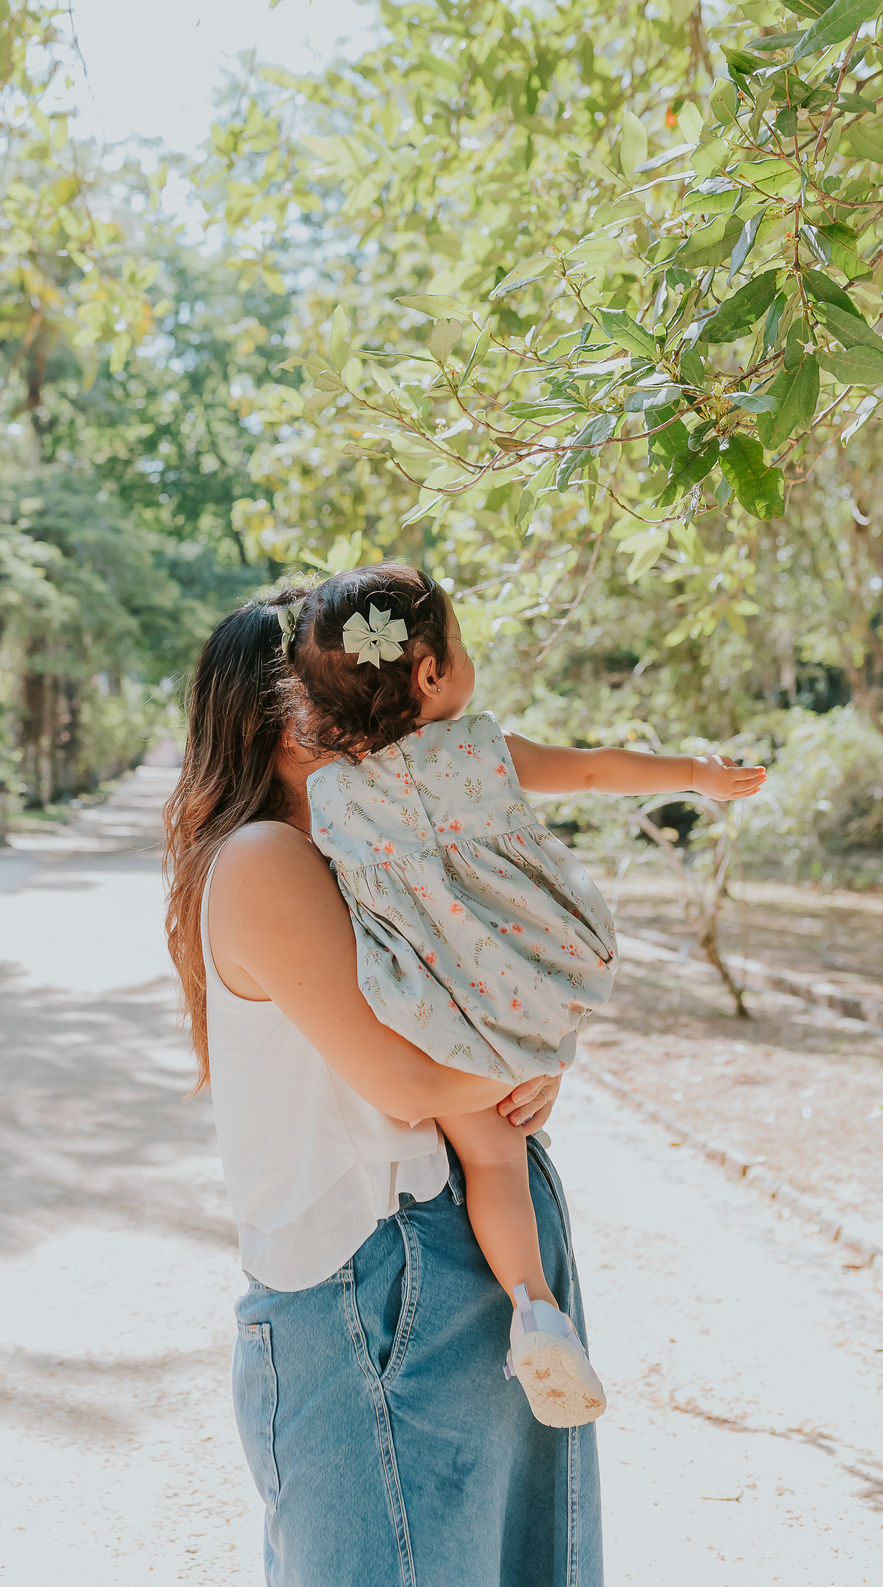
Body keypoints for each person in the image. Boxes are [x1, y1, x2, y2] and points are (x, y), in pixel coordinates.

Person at [163, 589, 601, 1587]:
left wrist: (531, 1065)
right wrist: (526, 1055)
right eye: (348, 704)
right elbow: (406, 1080)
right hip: (375, 1281)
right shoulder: (266, 855)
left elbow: (481, 1009)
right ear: (287, 729)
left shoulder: (374, 849)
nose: (388, 729)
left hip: (439, 1265)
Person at [286, 561, 766, 1426]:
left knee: (492, 1158)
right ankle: (542, 1300)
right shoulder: (478, 750)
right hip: (524, 978)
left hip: (432, 1014)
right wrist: (696, 772)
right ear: (431, 673)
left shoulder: (331, 798)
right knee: (515, 1129)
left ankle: (534, 1310)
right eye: (462, 648)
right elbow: (588, 773)